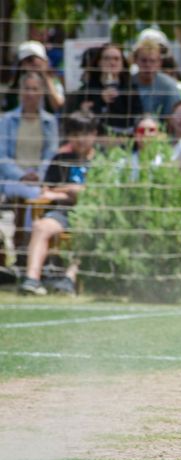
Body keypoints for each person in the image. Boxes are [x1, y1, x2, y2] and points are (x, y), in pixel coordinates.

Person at [18, 111, 98, 296]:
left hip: (92, 215)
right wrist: (72, 190)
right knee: (40, 226)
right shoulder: (60, 160)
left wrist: (64, 191)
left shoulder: (103, 160)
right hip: (62, 213)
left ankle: (69, 279)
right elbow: (46, 191)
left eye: (85, 134)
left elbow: (97, 194)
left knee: (89, 231)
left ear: (94, 134)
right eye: (75, 135)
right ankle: (32, 279)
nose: (80, 140)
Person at [0, 72, 59, 201]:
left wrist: (39, 175)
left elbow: (51, 154)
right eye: (26, 88)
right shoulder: (7, 120)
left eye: (35, 89)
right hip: (11, 179)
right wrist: (22, 176)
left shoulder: (50, 121)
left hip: (39, 179)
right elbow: (2, 157)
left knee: (38, 193)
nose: (30, 93)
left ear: (42, 92)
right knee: (36, 194)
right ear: (20, 91)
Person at [67, 43, 144, 137]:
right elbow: (77, 118)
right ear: (99, 62)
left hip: (125, 139)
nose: (112, 62)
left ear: (122, 63)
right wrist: (100, 100)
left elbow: (137, 117)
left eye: (116, 59)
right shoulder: (87, 90)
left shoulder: (130, 89)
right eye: (107, 58)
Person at [2, 40, 65, 114]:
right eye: (26, 60)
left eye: (33, 59)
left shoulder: (54, 82)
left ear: (43, 60)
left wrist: (45, 75)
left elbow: (58, 104)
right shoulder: (16, 84)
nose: (30, 64)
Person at [132, 38, 181, 117]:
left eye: (152, 61)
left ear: (159, 62)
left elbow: (173, 118)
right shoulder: (127, 83)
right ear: (135, 60)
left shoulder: (169, 86)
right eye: (144, 60)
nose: (148, 65)